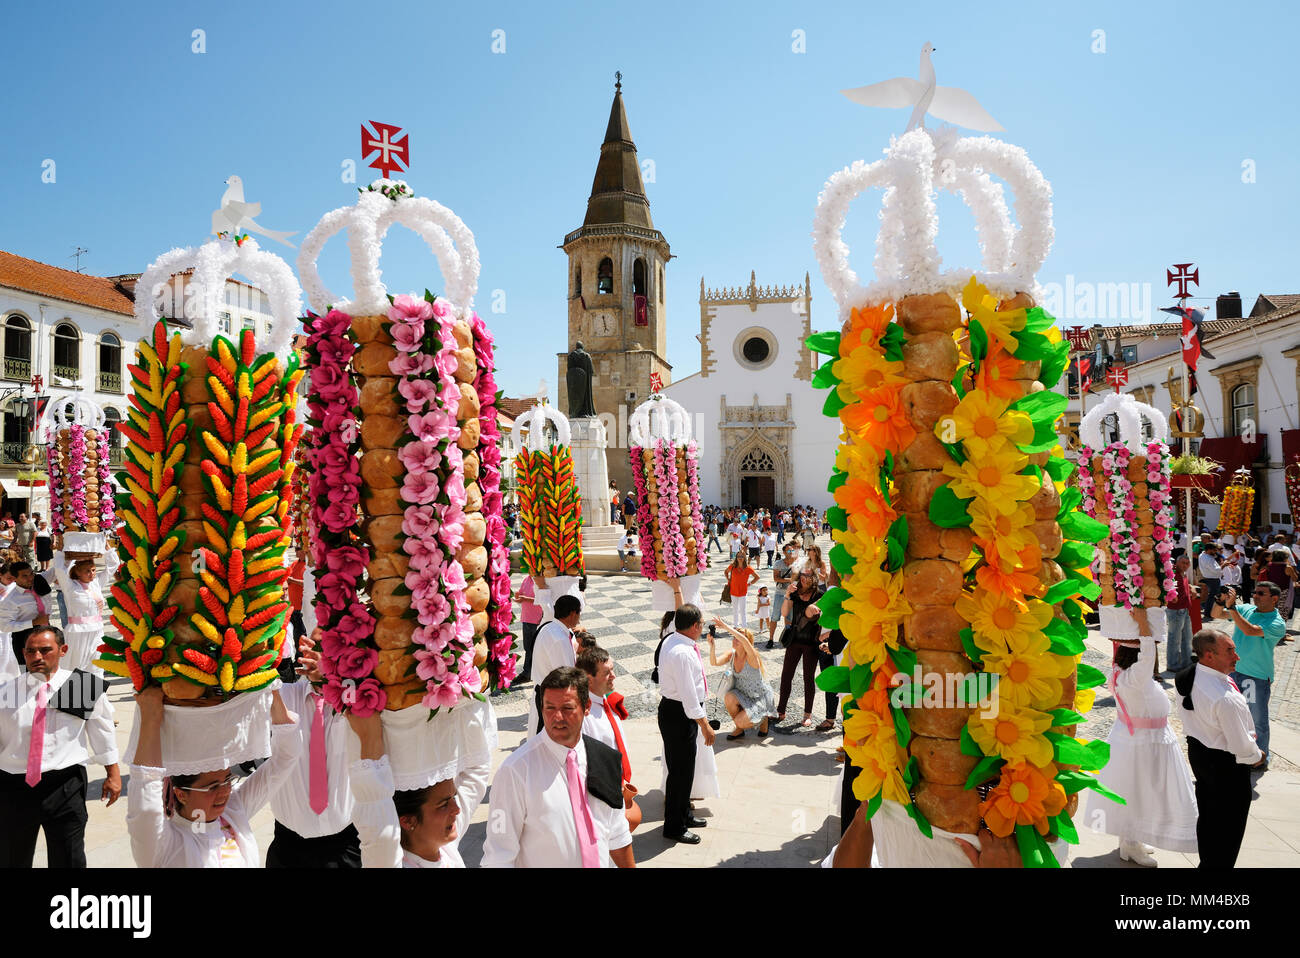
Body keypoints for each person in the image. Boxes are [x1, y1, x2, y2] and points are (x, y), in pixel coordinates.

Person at [127, 685, 300, 867]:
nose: (225, 792)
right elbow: (145, 809)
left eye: (227, 780)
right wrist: (150, 720)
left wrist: (272, 691)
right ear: (181, 794)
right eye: (212, 786)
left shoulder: (233, 812)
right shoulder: (165, 845)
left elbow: (284, 760)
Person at [482, 667, 634, 867]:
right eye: (550, 708)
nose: (557, 717)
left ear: (587, 706)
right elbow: (499, 855)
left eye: (567, 708)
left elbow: (617, 832)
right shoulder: (515, 772)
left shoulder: (605, 758)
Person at [0, 626, 121, 867]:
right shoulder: (7, 691)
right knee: (12, 856)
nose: (37, 657)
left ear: (63, 650)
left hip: (65, 784)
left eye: (45, 650)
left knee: (69, 857)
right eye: (30, 651)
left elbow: (102, 731)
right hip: (13, 785)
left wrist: (113, 774)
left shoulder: (81, 686)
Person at [1085, 635, 1198, 865]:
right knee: (1139, 792)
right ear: (1139, 660)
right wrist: (1146, 630)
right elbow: (1148, 656)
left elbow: (1144, 659)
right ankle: (1130, 843)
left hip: (1137, 739)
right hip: (1143, 742)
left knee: (1137, 791)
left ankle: (1132, 837)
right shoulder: (1136, 677)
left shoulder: (1121, 673)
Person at [264, 632, 362, 868]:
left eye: (331, 648)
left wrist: (332, 682)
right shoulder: (283, 697)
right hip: (287, 849)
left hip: (344, 848)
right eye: (316, 647)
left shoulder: (357, 701)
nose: (320, 656)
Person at [344, 711, 490, 868]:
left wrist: (466, 701)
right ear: (408, 821)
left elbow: (476, 772)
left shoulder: (444, 847)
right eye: (443, 805)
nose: (457, 810)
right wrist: (369, 738)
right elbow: (378, 827)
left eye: (453, 798)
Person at [1175, 629, 1263, 868]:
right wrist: (1258, 756)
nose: (1237, 656)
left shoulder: (1188, 675)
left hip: (1200, 755)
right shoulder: (1224, 698)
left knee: (1209, 818)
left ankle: (1208, 863)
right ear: (1208, 655)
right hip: (1226, 766)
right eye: (1230, 651)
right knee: (1228, 831)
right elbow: (1240, 746)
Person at [1211, 581, 1286, 769]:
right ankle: (1237, 752)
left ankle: (1260, 759)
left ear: (1274, 599)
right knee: (1231, 715)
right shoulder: (1246, 609)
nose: (1256, 595)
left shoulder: (1277, 623)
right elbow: (1215, 614)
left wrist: (1234, 607)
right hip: (1233, 672)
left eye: (1261, 593)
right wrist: (1221, 601)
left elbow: (1249, 630)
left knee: (1257, 719)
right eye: (1255, 592)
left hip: (1257, 676)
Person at [657, 603, 714, 844]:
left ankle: (684, 815)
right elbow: (689, 695)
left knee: (684, 770)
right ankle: (674, 826)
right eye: (701, 624)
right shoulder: (682, 652)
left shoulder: (674, 639)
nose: (702, 628)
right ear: (694, 626)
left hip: (678, 712)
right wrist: (705, 724)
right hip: (680, 714)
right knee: (679, 773)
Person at [577, 645, 640, 831]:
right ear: (589, 679)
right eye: (607, 672)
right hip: (599, 797)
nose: (613, 676)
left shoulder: (605, 701)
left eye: (612, 669)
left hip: (615, 787)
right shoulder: (584, 715)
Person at [707, 617, 774, 739]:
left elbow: (744, 641)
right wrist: (712, 646)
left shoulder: (752, 656)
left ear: (746, 642)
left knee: (740, 720)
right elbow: (714, 662)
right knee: (729, 697)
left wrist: (726, 626)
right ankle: (739, 729)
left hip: (758, 698)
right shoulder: (732, 654)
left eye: (738, 637)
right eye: (734, 637)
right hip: (742, 694)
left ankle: (764, 718)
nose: (735, 639)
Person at [526, 594, 582, 738]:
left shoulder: (548, 627)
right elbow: (567, 675)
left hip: (544, 690)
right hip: (553, 696)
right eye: (579, 613)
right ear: (572, 613)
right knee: (549, 738)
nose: (579, 619)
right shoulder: (559, 639)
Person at [777, 569, 825, 728]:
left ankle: (807, 714)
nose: (804, 579)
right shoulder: (795, 592)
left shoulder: (819, 594)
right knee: (786, 674)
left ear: (814, 578)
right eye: (802, 575)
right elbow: (784, 613)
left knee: (808, 678)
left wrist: (814, 608)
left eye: (808, 576)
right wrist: (787, 595)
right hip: (795, 639)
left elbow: (819, 615)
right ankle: (781, 710)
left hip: (811, 641)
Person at [47, 549, 107, 675]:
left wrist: (106, 547)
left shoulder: (96, 583)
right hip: (77, 632)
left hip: (97, 630)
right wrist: (61, 550)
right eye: (87, 571)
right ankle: (73, 693)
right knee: (76, 664)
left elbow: (113, 565)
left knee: (96, 664)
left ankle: (95, 693)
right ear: (78, 572)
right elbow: (59, 569)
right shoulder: (70, 586)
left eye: (93, 570)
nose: (92, 574)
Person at [1, 561, 52, 665]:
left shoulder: (40, 582)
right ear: (14, 578)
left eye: (31, 574)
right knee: (29, 676)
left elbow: (59, 569)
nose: (30, 578)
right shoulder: (11, 600)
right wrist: (33, 622)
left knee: (50, 672)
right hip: (24, 638)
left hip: (46, 633)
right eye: (24, 576)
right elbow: (5, 626)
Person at [1164, 554, 1199, 673]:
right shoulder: (1172, 573)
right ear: (1177, 563)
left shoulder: (1182, 573)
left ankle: (1186, 662)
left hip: (1184, 610)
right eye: (1183, 563)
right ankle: (1172, 664)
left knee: (1187, 638)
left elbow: (1185, 585)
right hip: (1175, 610)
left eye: (1187, 563)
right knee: (1175, 639)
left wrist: (1191, 589)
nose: (1185, 565)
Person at [513, 574, 543, 683]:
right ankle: (529, 673)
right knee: (528, 648)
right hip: (526, 618)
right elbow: (521, 593)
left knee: (534, 649)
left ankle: (528, 673)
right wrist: (518, 596)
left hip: (537, 620)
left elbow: (542, 600)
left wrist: (525, 598)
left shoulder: (540, 580)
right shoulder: (527, 579)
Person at [769, 542, 797, 650]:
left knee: (789, 618)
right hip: (780, 593)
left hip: (791, 595)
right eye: (789, 551)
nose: (791, 553)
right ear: (784, 552)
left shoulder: (796, 564)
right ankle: (771, 639)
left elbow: (797, 578)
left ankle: (787, 639)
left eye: (792, 551)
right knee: (775, 617)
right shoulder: (778, 563)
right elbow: (776, 578)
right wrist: (790, 580)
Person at [726, 551, 760, 630]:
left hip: (743, 592)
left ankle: (744, 627)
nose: (740, 558)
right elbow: (726, 572)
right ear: (736, 557)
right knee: (735, 609)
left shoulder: (748, 568)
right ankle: (735, 625)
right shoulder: (733, 566)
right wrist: (728, 579)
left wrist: (749, 584)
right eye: (738, 556)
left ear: (744, 557)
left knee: (743, 610)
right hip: (733, 591)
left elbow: (757, 577)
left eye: (742, 556)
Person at [1198, 542, 1222, 619]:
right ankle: (1209, 613)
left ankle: (1209, 612)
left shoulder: (1204, 555)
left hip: (1210, 578)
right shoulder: (1207, 558)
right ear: (1208, 550)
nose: (1216, 552)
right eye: (1214, 550)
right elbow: (1215, 570)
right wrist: (1223, 565)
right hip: (1212, 579)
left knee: (1212, 596)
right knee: (1212, 597)